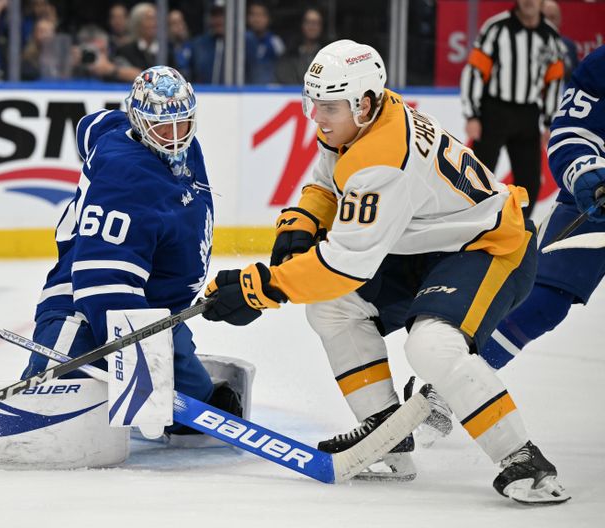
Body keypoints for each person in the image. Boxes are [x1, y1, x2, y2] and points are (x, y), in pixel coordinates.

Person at [202, 39, 569, 504]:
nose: (316, 116)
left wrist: (262, 288)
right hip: (428, 246)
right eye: (313, 102)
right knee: (331, 308)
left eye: (328, 106)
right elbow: (327, 180)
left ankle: (524, 459)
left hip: (491, 246)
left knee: (431, 344)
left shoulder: (383, 158)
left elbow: (343, 265)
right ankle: (387, 436)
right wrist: (304, 218)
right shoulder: (361, 119)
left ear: (366, 102)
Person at [21, 66, 245, 438]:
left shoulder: (157, 140)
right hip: (85, 316)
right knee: (42, 417)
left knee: (202, 412)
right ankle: (40, 384)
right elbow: (102, 286)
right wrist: (145, 379)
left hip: (160, 316)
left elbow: (92, 126)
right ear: (139, 122)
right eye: (161, 126)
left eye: (182, 123)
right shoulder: (125, 177)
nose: (174, 137)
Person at [481, 46, 605, 369]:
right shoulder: (602, 64)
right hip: (600, 200)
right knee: (542, 301)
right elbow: (573, 133)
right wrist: (587, 173)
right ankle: (456, 384)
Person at [460, 0, 565, 220]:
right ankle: (472, 223)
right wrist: (472, 114)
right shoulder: (497, 27)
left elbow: (553, 81)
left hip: (528, 114)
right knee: (478, 174)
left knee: (530, 181)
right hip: (494, 111)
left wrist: (549, 123)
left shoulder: (550, 36)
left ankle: (517, 227)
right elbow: (475, 70)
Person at [275, 8, 324, 85]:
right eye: (308, 22)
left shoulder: (327, 56)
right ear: (302, 25)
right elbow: (284, 81)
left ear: (321, 27)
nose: (312, 27)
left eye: (316, 23)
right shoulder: (289, 55)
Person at [244, 1, 285, 84]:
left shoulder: (275, 42)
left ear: (268, 18)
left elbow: (283, 69)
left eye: (260, 15)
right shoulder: (242, 41)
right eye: (253, 15)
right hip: (245, 89)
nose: (256, 19)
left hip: (268, 92)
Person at [542, 0, 578, 81]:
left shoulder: (569, 45)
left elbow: (576, 79)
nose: (548, 22)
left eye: (552, 17)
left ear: (560, 20)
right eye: (544, 17)